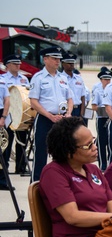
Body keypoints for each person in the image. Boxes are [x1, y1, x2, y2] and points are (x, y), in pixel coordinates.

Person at [28, 47, 74, 181]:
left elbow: (70, 99)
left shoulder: (63, 78)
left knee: (64, 152)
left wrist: (69, 113)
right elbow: (33, 101)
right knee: (41, 151)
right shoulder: (38, 78)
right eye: (54, 58)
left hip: (62, 120)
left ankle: (60, 181)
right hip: (45, 119)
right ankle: (36, 182)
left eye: (59, 59)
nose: (57, 61)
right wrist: (49, 116)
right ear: (45, 59)